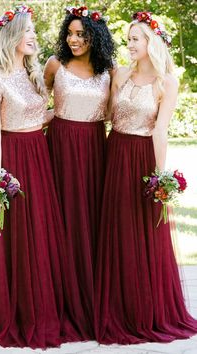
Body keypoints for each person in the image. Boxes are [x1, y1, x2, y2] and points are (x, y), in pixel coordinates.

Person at [95, 11, 197, 344]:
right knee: (116, 230)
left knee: (142, 232)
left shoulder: (166, 81)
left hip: (142, 159)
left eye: (135, 39)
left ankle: (146, 309)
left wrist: (158, 179)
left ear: (151, 41)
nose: (129, 45)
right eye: (128, 40)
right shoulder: (120, 74)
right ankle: (116, 306)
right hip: (115, 154)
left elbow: (161, 131)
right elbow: (109, 115)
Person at [0, 5, 66, 348]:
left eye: (33, 32)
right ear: (12, 35)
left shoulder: (31, 74)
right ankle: (17, 312)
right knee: (18, 236)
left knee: (41, 231)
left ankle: (44, 308)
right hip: (12, 160)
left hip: (39, 157)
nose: (33, 36)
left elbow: (39, 116)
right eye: (27, 31)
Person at [44, 6, 116, 340]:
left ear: (95, 36)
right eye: (70, 33)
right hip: (58, 148)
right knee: (62, 219)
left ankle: (93, 297)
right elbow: (33, 101)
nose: (74, 40)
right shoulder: (54, 65)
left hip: (94, 149)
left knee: (92, 219)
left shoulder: (110, 70)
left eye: (81, 34)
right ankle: (60, 298)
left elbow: (123, 108)